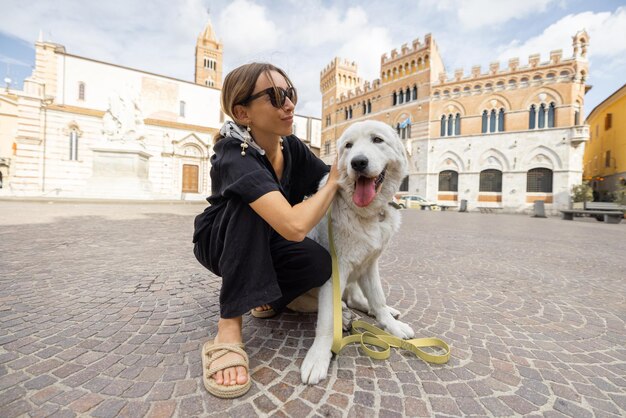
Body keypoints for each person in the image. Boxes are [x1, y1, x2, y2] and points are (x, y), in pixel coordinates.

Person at [192, 63, 339, 398]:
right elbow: (295, 223)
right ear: (242, 112)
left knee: (318, 263)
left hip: (268, 239)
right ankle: (229, 326)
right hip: (220, 240)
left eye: (290, 93)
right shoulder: (232, 153)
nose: (288, 104)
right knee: (250, 203)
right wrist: (332, 185)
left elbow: (328, 174)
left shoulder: (292, 147)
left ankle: (266, 300)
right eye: (274, 97)